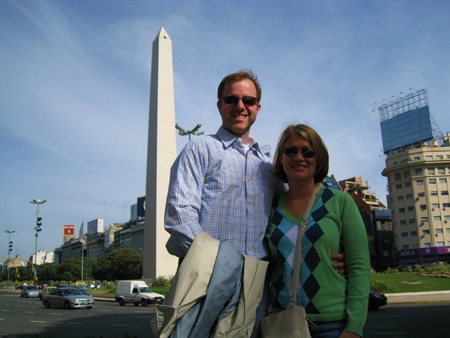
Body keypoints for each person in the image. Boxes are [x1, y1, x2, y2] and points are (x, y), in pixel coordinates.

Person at [164, 71, 345, 337]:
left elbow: (291, 217)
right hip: (207, 277)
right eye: (231, 99)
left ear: (257, 107)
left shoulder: (267, 167)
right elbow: (180, 215)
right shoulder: (200, 149)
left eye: (248, 100)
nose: (240, 106)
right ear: (220, 105)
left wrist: (334, 252)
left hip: (256, 284)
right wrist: (218, 267)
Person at [265, 124, 371, 338]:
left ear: (319, 157)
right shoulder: (269, 208)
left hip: (334, 324)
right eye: (290, 151)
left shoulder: (339, 202)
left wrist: (354, 327)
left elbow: (359, 266)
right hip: (285, 323)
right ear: (282, 159)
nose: (299, 157)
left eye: (308, 151)